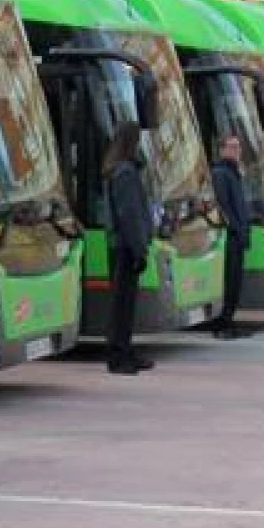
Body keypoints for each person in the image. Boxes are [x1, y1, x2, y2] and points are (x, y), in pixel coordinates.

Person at [103, 121, 155, 375]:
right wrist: (139, 248)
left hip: (125, 245)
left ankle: (125, 350)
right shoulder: (125, 172)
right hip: (125, 246)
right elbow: (130, 214)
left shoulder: (123, 169)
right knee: (122, 304)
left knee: (126, 303)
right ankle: (118, 356)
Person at [211, 133, 252, 339]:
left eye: (238, 147)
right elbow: (224, 207)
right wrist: (237, 230)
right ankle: (223, 324)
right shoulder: (220, 173)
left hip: (239, 236)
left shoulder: (235, 172)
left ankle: (230, 321)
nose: (237, 151)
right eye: (232, 147)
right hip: (230, 237)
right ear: (222, 150)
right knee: (228, 282)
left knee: (236, 283)